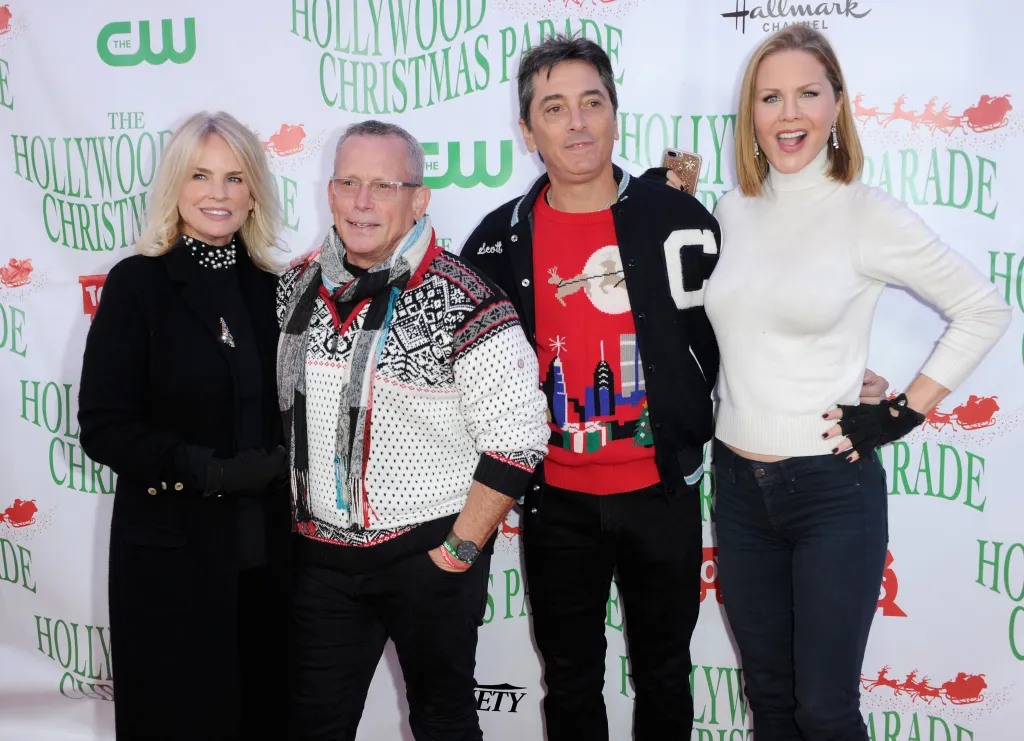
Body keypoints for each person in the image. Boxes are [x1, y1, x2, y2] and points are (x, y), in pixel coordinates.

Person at [461, 34, 890, 741]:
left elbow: (753, 319)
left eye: (592, 102)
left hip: (663, 493)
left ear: (615, 113)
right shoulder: (496, 240)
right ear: (527, 129)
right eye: (555, 107)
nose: (576, 123)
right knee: (570, 678)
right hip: (555, 501)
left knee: (665, 671)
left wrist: (841, 373)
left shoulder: (685, 219)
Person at [691, 26, 1010, 740]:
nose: (789, 113)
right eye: (770, 97)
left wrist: (903, 410)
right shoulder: (731, 209)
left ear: (837, 104)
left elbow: (984, 308)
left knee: (825, 710)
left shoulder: (867, 212)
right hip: (738, 487)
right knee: (769, 701)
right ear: (751, 114)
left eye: (808, 93)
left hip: (831, 492)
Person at [277, 119, 548, 741]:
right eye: (348, 182)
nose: (362, 202)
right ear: (330, 192)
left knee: (443, 723)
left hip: (429, 559)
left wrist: (457, 552)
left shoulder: (468, 298)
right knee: (311, 725)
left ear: (418, 199)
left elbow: (519, 436)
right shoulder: (293, 288)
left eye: (383, 185)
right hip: (319, 562)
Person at [78, 111, 293, 740]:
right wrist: (206, 469)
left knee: (266, 718)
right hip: (170, 561)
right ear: (175, 185)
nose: (218, 194)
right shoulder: (138, 284)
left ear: (254, 191)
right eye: (200, 175)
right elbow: (103, 425)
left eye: (234, 177)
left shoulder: (275, 289)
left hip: (267, 559)